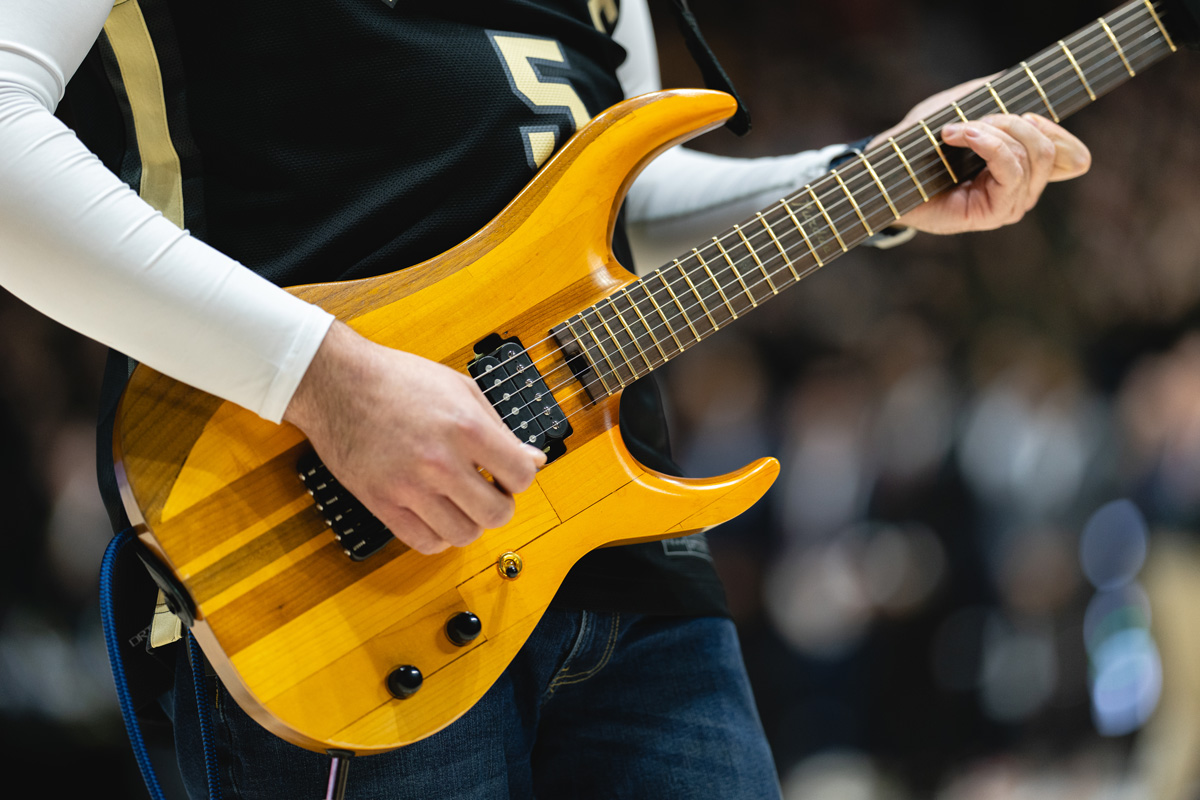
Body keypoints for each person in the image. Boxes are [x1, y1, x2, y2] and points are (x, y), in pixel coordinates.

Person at [0, 0, 1091, 797]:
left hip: (618, 553)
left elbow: (629, 198)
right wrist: (324, 377)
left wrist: (875, 177)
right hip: (335, 565)